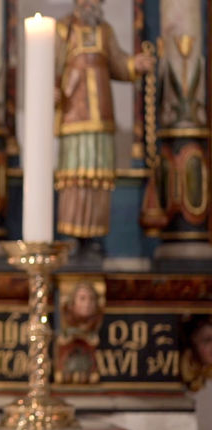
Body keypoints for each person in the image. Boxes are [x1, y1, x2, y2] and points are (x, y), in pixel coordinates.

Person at [54, 0, 154, 247]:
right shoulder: (64, 29)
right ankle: (74, 235)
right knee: (75, 176)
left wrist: (134, 64)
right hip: (73, 114)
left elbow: (118, 63)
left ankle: (95, 236)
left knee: (100, 176)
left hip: (101, 114)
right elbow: (51, 64)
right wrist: (52, 87)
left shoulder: (105, 30)